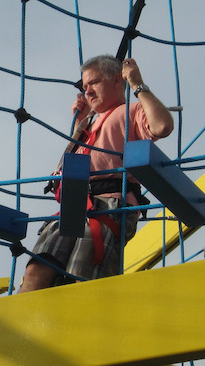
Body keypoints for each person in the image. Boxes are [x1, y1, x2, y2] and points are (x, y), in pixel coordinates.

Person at [18, 54, 174, 293]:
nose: (87, 91)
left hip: (110, 203)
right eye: (84, 86)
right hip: (75, 203)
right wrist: (80, 122)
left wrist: (137, 84)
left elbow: (162, 126)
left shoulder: (130, 111)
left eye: (94, 83)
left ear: (115, 81)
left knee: (82, 274)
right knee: (37, 270)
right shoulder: (87, 125)